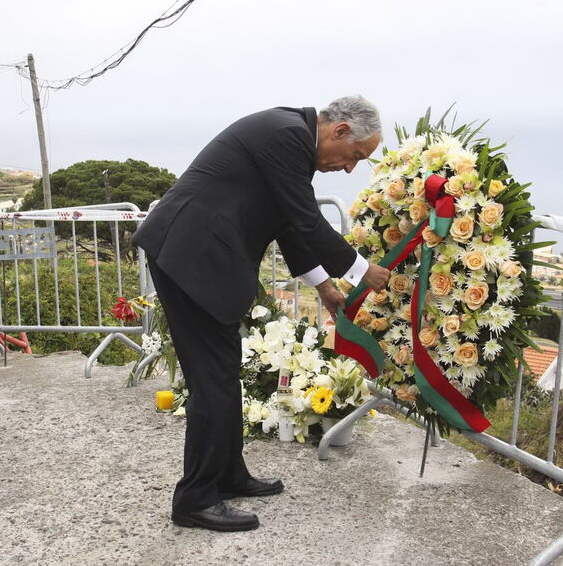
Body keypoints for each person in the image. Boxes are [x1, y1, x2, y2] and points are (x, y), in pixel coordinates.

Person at [132, 95, 391, 532]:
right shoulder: (286, 134)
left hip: (200, 257)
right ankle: (195, 499)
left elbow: (289, 227)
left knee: (223, 373)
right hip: (189, 256)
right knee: (212, 381)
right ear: (340, 131)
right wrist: (363, 271)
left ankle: (228, 475)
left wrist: (325, 288)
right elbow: (308, 221)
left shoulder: (292, 141)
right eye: (355, 158)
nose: (349, 168)